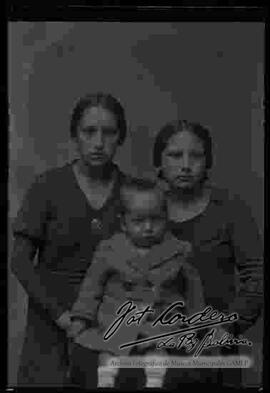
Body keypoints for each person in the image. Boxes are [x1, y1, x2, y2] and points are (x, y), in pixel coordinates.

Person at [10, 92, 130, 386]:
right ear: (75, 136)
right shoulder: (47, 187)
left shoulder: (134, 194)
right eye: (89, 132)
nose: (99, 142)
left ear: (121, 138)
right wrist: (61, 316)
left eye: (109, 132)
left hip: (108, 328)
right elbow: (20, 262)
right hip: (51, 327)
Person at [152, 120, 263, 387]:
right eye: (175, 155)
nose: (186, 165)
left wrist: (226, 327)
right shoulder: (143, 210)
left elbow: (257, 276)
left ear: (208, 161)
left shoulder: (230, 210)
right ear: (159, 161)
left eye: (196, 155)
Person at [66, 178, 205, 389]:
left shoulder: (178, 251)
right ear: (124, 222)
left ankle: (155, 381)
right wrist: (81, 318)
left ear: (166, 218)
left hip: (159, 319)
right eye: (139, 221)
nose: (148, 228)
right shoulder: (109, 250)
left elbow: (193, 290)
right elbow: (91, 288)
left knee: (158, 350)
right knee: (108, 350)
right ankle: (105, 381)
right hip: (117, 319)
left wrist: (196, 323)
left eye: (156, 220)